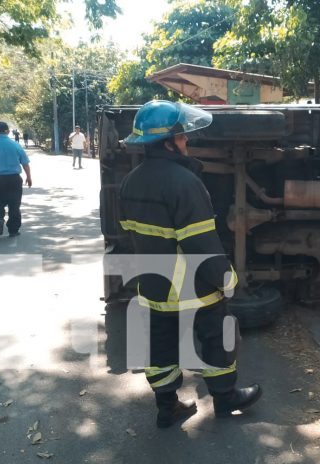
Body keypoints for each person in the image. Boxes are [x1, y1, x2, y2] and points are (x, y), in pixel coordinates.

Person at [118, 100, 261, 429]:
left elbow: (129, 234)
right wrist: (226, 279)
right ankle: (226, 399)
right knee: (217, 337)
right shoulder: (185, 182)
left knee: (161, 345)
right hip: (192, 286)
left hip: (153, 283)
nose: (187, 143)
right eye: (182, 138)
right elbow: (201, 243)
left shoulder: (130, 181)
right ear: (168, 142)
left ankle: (167, 407)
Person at [0, 121, 32, 237]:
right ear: (7, 131)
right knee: (14, 205)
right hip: (14, 180)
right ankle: (13, 230)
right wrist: (28, 177)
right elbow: (25, 163)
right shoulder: (15, 145)